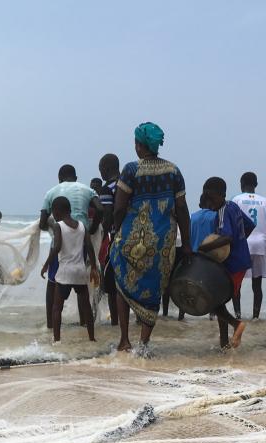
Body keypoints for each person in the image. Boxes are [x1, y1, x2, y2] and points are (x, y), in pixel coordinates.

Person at [110, 122, 191, 351]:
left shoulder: (130, 170)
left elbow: (118, 208)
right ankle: (143, 344)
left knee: (122, 285)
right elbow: (183, 210)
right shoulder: (174, 171)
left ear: (139, 145)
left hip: (131, 239)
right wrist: (186, 244)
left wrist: (117, 231)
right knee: (154, 289)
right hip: (163, 241)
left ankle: (124, 340)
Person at [40, 164, 100, 329]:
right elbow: (100, 209)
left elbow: (42, 223)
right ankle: (84, 325)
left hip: (60, 243)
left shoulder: (52, 192)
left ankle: (51, 325)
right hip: (81, 241)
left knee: (53, 283)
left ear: (59, 179)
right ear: (76, 177)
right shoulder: (87, 190)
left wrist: (53, 227)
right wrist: (92, 228)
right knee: (82, 288)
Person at [197, 178, 251, 348]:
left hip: (233, 264)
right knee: (219, 300)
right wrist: (240, 244)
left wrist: (206, 247)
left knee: (215, 301)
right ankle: (224, 343)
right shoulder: (233, 206)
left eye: (212, 198)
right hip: (241, 261)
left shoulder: (223, 211)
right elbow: (249, 225)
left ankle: (236, 324)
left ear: (222, 195)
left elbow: (227, 237)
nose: (210, 203)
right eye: (207, 199)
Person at [41, 196, 97, 342]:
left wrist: (46, 263)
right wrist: (94, 268)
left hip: (65, 272)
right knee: (86, 307)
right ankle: (92, 338)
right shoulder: (82, 226)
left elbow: (57, 246)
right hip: (80, 271)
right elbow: (89, 247)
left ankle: (57, 340)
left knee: (56, 308)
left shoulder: (58, 226)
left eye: (53, 211)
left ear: (57, 211)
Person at [231, 172, 266, 319]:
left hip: (243, 244)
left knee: (237, 283)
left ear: (242, 184)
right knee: (257, 284)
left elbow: (233, 222)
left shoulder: (236, 199)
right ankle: (255, 317)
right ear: (256, 184)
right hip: (261, 244)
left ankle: (238, 315)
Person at [98, 153, 121, 325]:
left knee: (112, 285)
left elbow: (107, 215)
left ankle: (115, 322)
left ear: (105, 169)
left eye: (101, 171)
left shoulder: (107, 188)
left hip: (116, 238)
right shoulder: (128, 184)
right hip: (135, 235)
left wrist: (101, 236)